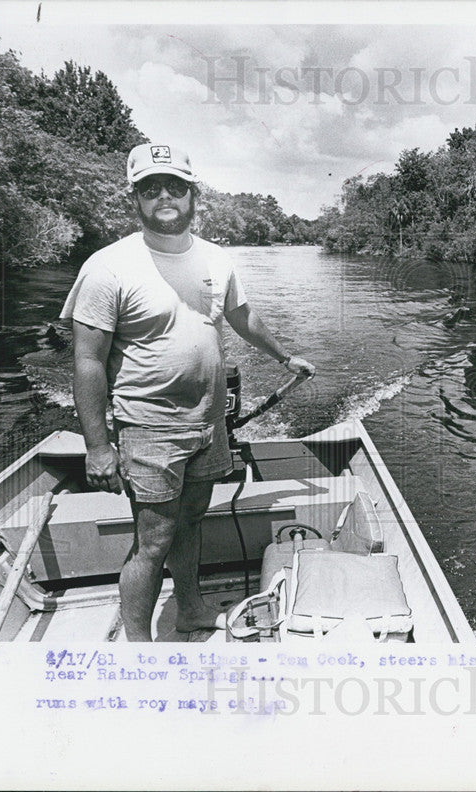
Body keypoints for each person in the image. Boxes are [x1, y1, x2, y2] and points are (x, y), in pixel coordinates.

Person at [60, 143, 315, 641]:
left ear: (193, 193)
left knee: (192, 523)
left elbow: (242, 316)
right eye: (150, 187)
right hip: (149, 427)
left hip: (209, 422)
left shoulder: (216, 258)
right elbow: (87, 361)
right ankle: (138, 644)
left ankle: (191, 609)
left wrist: (285, 356)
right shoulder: (108, 265)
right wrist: (97, 445)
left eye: (175, 185)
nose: (164, 197)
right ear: (134, 198)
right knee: (152, 542)